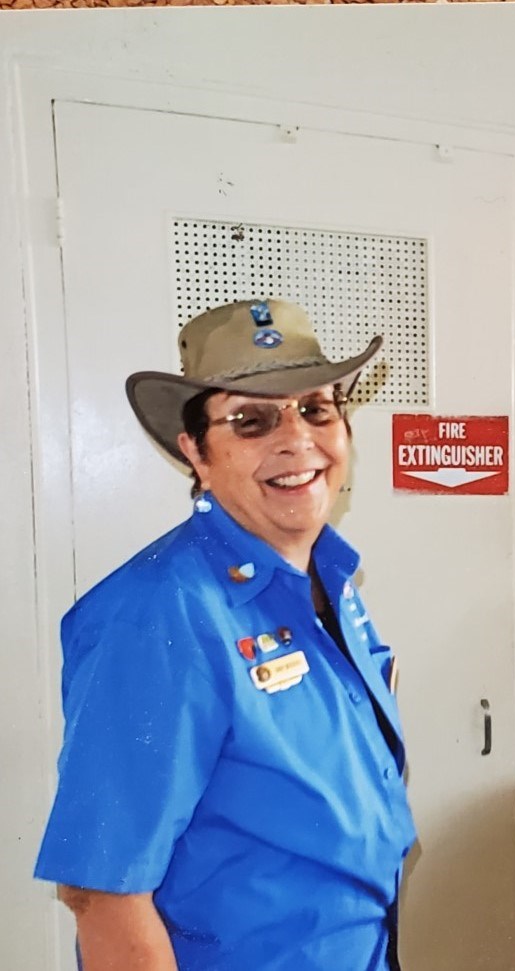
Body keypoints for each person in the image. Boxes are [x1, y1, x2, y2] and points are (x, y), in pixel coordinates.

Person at [35, 299, 416, 971]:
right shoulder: (157, 616)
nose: (296, 439)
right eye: (252, 419)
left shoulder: (330, 576)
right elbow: (104, 895)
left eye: (316, 408)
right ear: (195, 451)